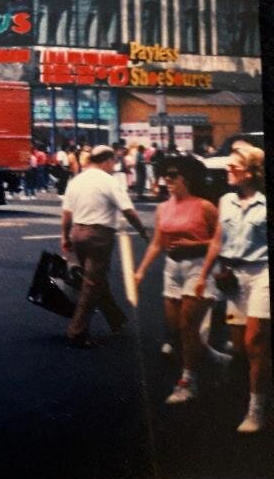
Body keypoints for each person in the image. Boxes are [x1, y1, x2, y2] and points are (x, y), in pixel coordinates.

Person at [133, 155, 230, 404]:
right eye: (165, 175)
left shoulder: (204, 206)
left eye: (172, 176)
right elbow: (157, 243)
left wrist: (195, 244)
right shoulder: (163, 208)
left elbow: (220, 242)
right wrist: (141, 270)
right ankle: (217, 360)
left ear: (186, 178)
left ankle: (188, 382)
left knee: (188, 325)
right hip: (172, 269)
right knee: (178, 329)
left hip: (199, 267)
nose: (167, 180)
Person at [198, 144, 269, 433]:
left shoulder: (264, 202)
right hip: (233, 276)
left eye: (234, 167)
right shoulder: (225, 200)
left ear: (251, 173)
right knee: (240, 347)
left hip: (262, 273)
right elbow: (217, 239)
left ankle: (257, 410)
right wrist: (205, 274)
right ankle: (249, 385)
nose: (228, 171)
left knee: (255, 342)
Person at [60, 145, 150, 348]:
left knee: (96, 278)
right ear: (107, 160)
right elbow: (128, 210)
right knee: (92, 283)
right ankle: (77, 331)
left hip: (78, 233)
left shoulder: (76, 180)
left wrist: (65, 237)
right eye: (113, 163)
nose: (113, 167)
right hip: (99, 235)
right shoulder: (108, 181)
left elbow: (66, 214)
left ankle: (115, 318)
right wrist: (143, 231)